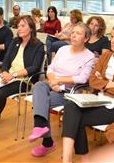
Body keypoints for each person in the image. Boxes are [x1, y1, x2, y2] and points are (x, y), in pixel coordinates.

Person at [62, 23, 114, 162]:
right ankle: (68, 158)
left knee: (75, 118)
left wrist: (103, 83)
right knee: (70, 106)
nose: (112, 40)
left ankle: (79, 158)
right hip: (98, 100)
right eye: (112, 37)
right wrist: (111, 84)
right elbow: (92, 81)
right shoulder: (106, 56)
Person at [28, 23, 95, 157]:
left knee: (41, 101)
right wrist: (53, 82)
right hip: (52, 84)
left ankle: (47, 142)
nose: (73, 35)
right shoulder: (63, 49)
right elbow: (51, 68)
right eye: (73, 32)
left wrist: (59, 81)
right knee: (39, 86)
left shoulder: (89, 56)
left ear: (86, 39)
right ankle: (40, 126)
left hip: (69, 92)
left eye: (78, 33)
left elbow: (82, 79)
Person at [0, 15, 44, 138]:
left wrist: (12, 75)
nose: (19, 29)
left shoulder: (38, 46)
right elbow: (6, 61)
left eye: (23, 26)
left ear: (31, 28)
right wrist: (5, 72)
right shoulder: (15, 41)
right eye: (18, 26)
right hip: (8, 76)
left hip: (24, 81)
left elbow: (34, 68)